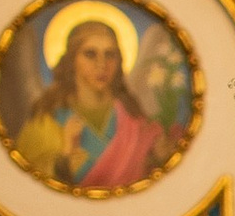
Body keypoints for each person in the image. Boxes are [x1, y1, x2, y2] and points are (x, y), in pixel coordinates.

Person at [12, 17, 172, 192]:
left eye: (110, 55)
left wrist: (159, 158)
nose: (102, 65)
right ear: (72, 60)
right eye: (90, 54)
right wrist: (64, 158)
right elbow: (21, 178)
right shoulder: (47, 116)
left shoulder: (133, 117)